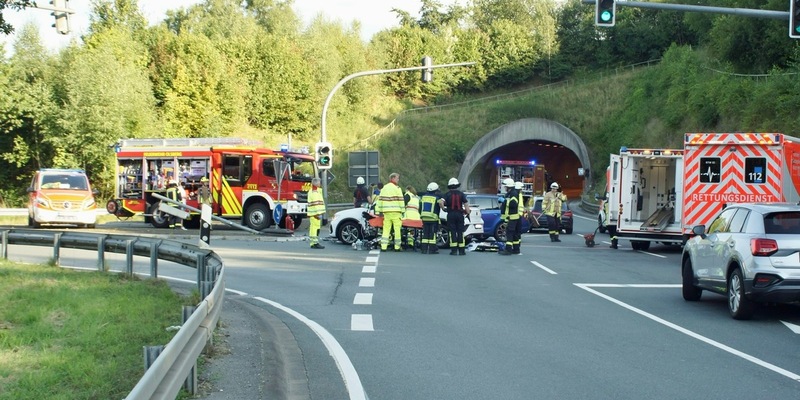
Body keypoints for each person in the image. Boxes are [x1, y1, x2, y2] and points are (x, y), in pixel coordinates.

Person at [375, 173, 404, 252]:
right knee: (397, 230)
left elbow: (380, 200)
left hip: (386, 213)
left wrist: (379, 211)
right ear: (393, 178)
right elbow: (401, 200)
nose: (398, 180)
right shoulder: (397, 188)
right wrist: (403, 211)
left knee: (386, 229)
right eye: (397, 178)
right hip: (396, 212)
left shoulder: (384, 188)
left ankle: (383, 246)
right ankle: (397, 247)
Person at [442, 177, 470, 255]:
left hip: (451, 214)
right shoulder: (461, 194)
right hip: (459, 214)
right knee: (460, 232)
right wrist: (467, 212)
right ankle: (462, 250)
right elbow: (466, 205)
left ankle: (454, 250)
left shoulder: (447, 194)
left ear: (450, 186)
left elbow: (441, 202)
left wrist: (443, 208)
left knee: (452, 232)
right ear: (457, 186)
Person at [419, 182, 443, 254]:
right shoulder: (437, 198)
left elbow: (420, 206)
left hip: (424, 218)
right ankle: (432, 249)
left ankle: (424, 249)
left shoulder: (423, 197)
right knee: (432, 234)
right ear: (435, 190)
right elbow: (441, 205)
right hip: (433, 218)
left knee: (425, 233)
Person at [499, 179, 520, 255]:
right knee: (513, 233)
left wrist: (504, 201)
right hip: (511, 217)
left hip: (512, 217)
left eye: (505, 186)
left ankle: (508, 250)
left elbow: (513, 204)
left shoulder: (513, 194)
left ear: (508, 186)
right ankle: (516, 249)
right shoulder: (510, 193)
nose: (504, 188)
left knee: (509, 233)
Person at [307, 177, 326, 249]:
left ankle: (314, 242)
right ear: (317, 184)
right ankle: (314, 243)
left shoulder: (316, 191)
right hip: (315, 214)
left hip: (316, 214)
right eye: (319, 183)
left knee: (315, 228)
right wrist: (317, 214)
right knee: (314, 228)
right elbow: (315, 204)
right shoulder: (314, 192)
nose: (320, 184)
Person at [402, 185, 422, 250]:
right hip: (416, 218)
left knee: (405, 229)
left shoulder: (408, 195)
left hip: (408, 216)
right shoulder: (417, 197)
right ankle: (413, 242)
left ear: (408, 190)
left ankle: (408, 242)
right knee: (413, 230)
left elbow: (402, 204)